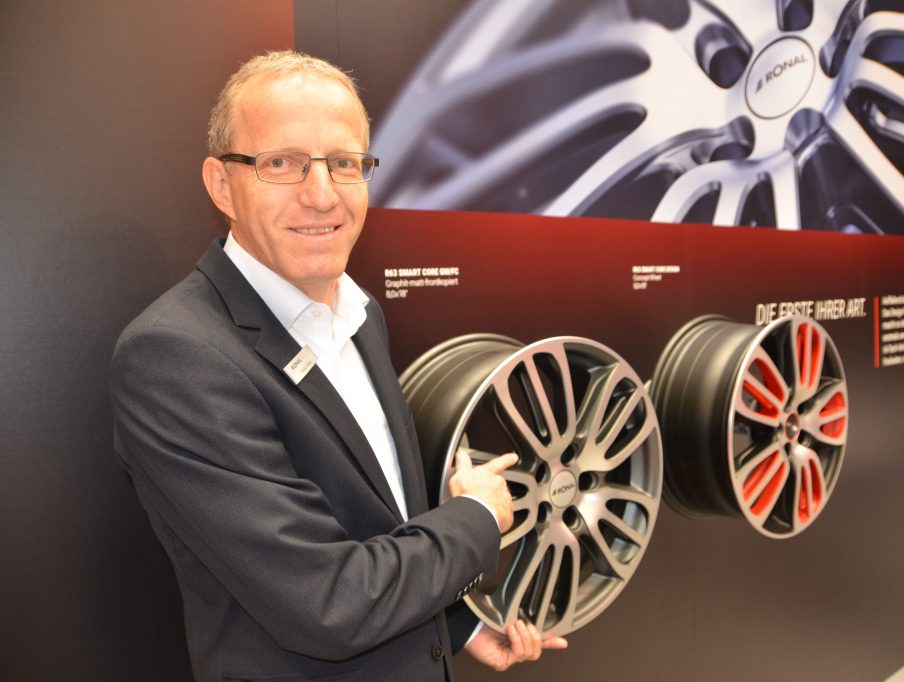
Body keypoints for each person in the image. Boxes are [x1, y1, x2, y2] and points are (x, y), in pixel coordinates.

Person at [110, 50, 567, 682]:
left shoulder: (360, 312)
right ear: (222, 185)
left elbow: (378, 521)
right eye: (281, 163)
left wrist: (454, 626)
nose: (321, 195)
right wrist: (478, 517)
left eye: (344, 163)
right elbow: (328, 603)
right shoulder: (177, 357)